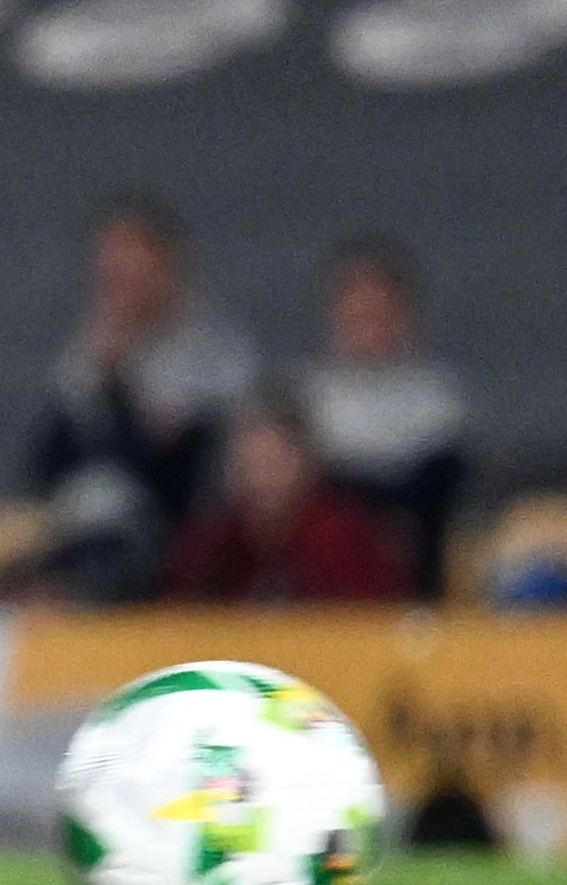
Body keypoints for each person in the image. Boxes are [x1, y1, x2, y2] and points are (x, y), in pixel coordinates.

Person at [24, 194, 253, 603]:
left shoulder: (213, 355)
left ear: (166, 270)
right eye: (109, 275)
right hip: (83, 532)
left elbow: (175, 472)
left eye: (131, 272)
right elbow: (49, 462)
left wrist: (119, 387)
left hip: (175, 540)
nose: (118, 289)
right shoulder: (86, 355)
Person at [289, 237, 467, 600]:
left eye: (381, 314)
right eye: (357, 315)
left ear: (405, 317)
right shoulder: (303, 398)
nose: (369, 328)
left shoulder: (438, 400)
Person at [160, 397, 409, 604]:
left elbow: (376, 621)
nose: (260, 480)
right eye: (248, 466)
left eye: (273, 464)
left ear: (307, 464)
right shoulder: (210, 539)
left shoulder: (347, 535)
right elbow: (178, 617)